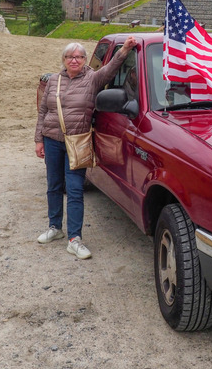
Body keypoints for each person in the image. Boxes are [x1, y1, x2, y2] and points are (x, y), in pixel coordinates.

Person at [34, 36, 138, 259]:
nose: (74, 60)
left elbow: (110, 69)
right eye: (70, 57)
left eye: (79, 56)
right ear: (63, 59)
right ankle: (54, 227)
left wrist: (125, 49)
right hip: (52, 140)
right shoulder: (54, 80)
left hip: (78, 141)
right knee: (53, 185)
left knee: (74, 189)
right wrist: (38, 140)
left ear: (84, 59)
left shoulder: (92, 79)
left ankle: (74, 238)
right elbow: (43, 112)